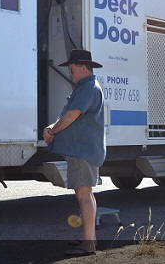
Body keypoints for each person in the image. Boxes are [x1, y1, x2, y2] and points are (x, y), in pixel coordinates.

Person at [43, 49, 105, 257]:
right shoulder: (85, 88)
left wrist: (51, 131)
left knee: (83, 195)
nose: (70, 74)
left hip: (82, 150)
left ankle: (88, 245)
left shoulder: (88, 88)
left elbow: (70, 116)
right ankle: (90, 239)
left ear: (83, 67)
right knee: (86, 194)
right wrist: (51, 128)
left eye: (71, 70)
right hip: (84, 150)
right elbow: (66, 116)